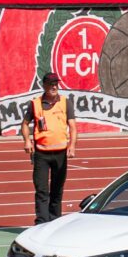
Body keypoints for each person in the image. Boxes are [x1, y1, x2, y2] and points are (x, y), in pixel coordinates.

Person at [20, 72, 77, 224]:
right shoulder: (35, 104)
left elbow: (72, 127)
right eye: (50, 84)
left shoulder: (66, 103)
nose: (54, 87)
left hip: (60, 154)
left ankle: (54, 221)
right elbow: (25, 124)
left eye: (56, 84)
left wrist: (72, 146)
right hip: (41, 154)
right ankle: (41, 222)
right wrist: (27, 141)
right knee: (42, 190)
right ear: (44, 86)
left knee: (57, 190)